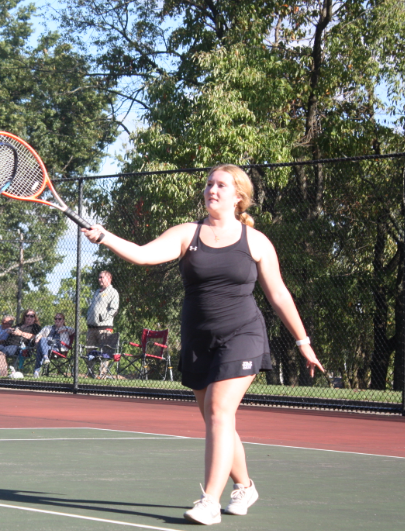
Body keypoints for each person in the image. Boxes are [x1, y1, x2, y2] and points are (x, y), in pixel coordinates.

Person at [82, 164, 324, 525]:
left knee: (219, 412)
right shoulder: (186, 234)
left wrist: (303, 341)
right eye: (209, 183)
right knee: (216, 419)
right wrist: (105, 237)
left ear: (238, 196)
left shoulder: (255, 242)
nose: (212, 189)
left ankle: (209, 501)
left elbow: (278, 295)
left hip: (243, 335)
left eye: (221, 185)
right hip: (198, 339)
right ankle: (244, 485)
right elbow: (144, 254)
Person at [0, 309, 41, 377]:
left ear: (34, 318)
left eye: (32, 316)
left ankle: (2, 372)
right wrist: (9, 330)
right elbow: (10, 329)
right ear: (24, 317)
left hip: (19, 347)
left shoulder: (35, 327)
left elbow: (35, 337)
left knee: (0, 352)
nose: (29, 317)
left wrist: (20, 333)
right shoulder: (19, 325)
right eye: (27, 315)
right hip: (6, 344)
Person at [84, 271, 119, 378]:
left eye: (101, 277)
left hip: (104, 328)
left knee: (105, 351)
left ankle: (103, 374)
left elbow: (114, 309)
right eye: (98, 277)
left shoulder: (113, 292)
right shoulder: (97, 292)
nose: (99, 279)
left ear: (109, 278)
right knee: (89, 350)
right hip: (91, 328)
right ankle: (90, 373)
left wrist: (102, 317)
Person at [32, 312, 74, 378]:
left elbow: (74, 331)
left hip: (58, 348)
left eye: (59, 319)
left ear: (63, 320)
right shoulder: (48, 327)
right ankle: (45, 357)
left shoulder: (66, 329)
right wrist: (38, 337)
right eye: (56, 319)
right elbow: (39, 334)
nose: (57, 320)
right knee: (42, 340)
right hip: (47, 345)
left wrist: (65, 329)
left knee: (40, 348)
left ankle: (36, 372)